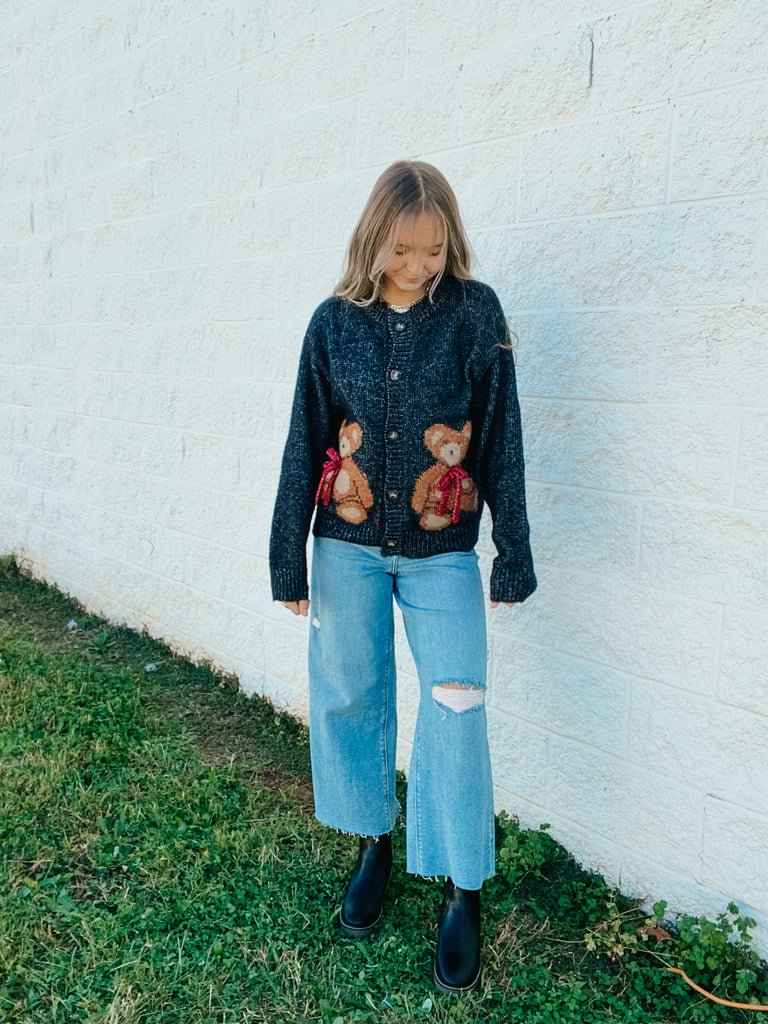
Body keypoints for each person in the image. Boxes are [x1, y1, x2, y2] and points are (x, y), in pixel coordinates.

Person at [269, 160, 537, 994]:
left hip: (442, 550)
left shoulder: (474, 314)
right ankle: (373, 842)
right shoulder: (333, 322)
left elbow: (500, 435)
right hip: (344, 546)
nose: (418, 266)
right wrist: (285, 553)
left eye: (434, 250)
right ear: (373, 239)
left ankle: (462, 887)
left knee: (457, 701)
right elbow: (307, 435)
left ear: (451, 242)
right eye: (403, 250)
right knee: (351, 693)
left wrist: (513, 550)